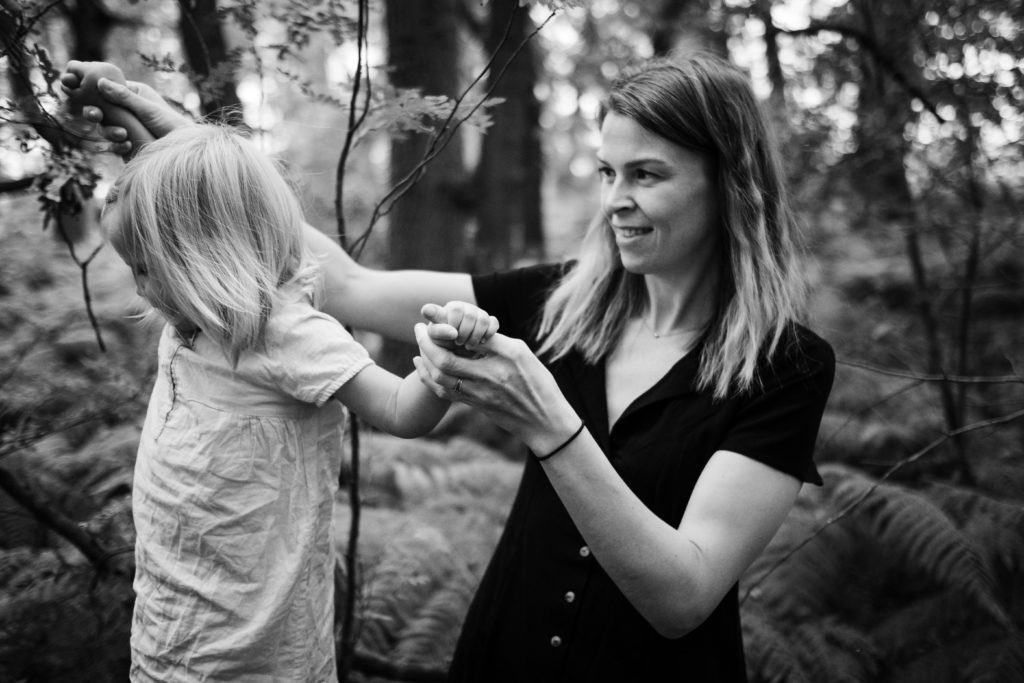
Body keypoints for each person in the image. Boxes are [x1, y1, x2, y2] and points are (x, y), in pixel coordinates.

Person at [65, 50, 834, 682]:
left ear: (728, 181)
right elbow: (346, 285)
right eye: (607, 172)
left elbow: (684, 595)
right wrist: (188, 155)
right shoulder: (558, 302)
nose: (614, 201)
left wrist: (551, 424)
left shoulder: (787, 368)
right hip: (501, 657)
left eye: (646, 175)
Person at [89, 118, 498, 681]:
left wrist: (445, 356)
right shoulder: (188, 321)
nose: (139, 287)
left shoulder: (285, 334)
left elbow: (399, 411)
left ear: (204, 257)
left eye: (145, 269)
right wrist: (131, 113)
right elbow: (186, 194)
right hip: (167, 634)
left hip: (256, 655)